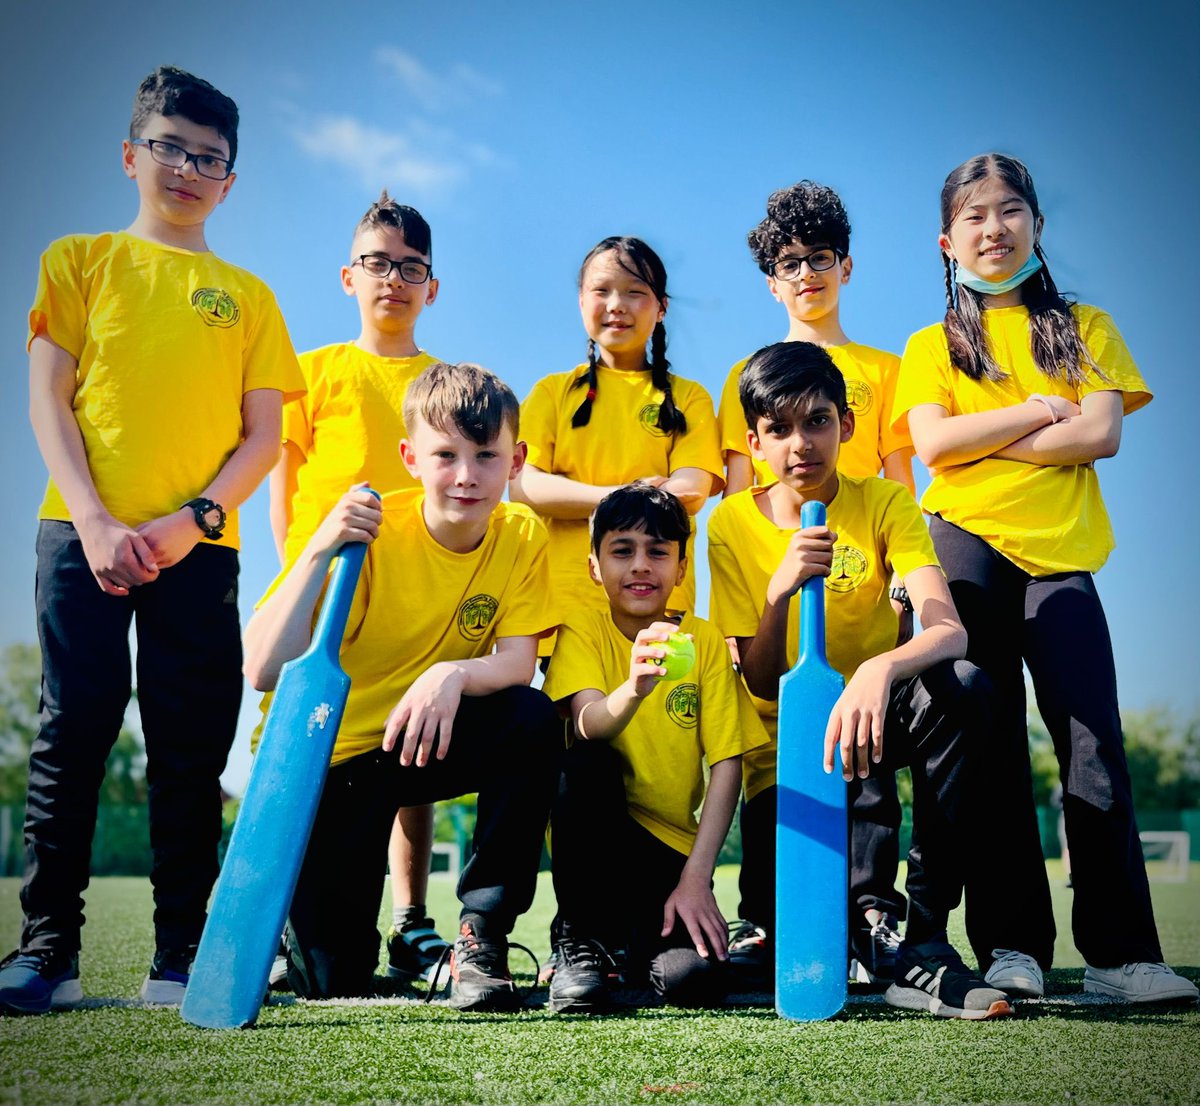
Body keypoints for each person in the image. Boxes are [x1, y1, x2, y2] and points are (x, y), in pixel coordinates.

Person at [0, 66, 303, 1016]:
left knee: (188, 751)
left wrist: (191, 523)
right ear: (132, 155)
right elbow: (50, 398)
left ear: (229, 182)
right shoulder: (78, 260)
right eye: (170, 147)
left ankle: (182, 958)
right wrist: (95, 521)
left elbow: (263, 438)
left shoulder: (246, 295)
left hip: (199, 553)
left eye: (208, 158)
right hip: (77, 535)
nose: (187, 168)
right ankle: (47, 951)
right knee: (71, 738)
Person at [893, 152, 1197, 1004]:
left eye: (1010, 211)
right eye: (974, 217)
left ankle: (1120, 955)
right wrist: (1035, 412)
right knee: (987, 741)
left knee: (1094, 745)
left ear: (1035, 222)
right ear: (947, 241)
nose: (994, 229)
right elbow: (934, 449)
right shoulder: (932, 344)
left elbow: (1101, 433)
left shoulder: (1086, 326)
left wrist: (987, 433)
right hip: (965, 543)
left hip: (1060, 557)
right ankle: (1011, 948)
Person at [708, 341, 1012, 1019]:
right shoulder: (729, 524)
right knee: (771, 939)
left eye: (817, 421)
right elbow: (758, 682)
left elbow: (949, 630)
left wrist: (879, 667)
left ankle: (924, 941)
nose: (800, 444)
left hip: (876, 720)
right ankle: (841, 924)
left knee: (964, 684)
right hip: (788, 749)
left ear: (846, 426)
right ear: (754, 441)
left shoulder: (884, 502)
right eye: (779, 429)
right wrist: (779, 594)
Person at [244, 362, 561, 1011]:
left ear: (515, 459)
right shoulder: (373, 536)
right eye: (446, 455)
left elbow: (518, 664)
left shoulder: (521, 533)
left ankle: (481, 934)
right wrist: (320, 547)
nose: (467, 475)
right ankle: (290, 930)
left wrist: (450, 673)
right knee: (337, 980)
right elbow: (261, 670)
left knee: (531, 720)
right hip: (339, 765)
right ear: (410, 457)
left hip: (420, 739)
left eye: (486, 455)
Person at [714, 181, 915, 983]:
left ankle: (882, 920)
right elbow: (740, 499)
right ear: (772, 279)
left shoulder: (884, 369)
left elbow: (900, 484)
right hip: (786, 592)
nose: (806, 274)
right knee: (785, 750)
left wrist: (903, 588)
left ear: (846, 266)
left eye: (820, 258)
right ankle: (768, 919)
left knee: (867, 751)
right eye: (789, 263)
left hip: (866, 578)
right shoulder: (749, 375)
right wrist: (770, 583)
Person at [268, 192, 450, 986]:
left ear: (431, 287)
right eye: (379, 264)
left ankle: (412, 922)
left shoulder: (446, 382)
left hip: (417, 605)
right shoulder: (309, 376)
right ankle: (277, 921)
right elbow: (286, 503)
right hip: (328, 611)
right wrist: (301, 597)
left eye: (412, 268)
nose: (394, 280)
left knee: (415, 759)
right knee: (299, 751)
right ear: (349, 276)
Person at [541, 484, 768, 1012]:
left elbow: (728, 763)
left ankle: (628, 948)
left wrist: (695, 879)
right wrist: (634, 690)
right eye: (622, 551)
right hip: (602, 837)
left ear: (682, 569)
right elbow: (589, 725)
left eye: (658, 552)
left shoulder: (705, 641)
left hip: (672, 852)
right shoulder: (585, 630)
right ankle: (580, 939)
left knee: (692, 981)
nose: (641, 566)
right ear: (595, 566)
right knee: (583, 764)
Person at [509, 236, 723, 658]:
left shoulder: (688, 397)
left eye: (635, 292)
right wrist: (624, 495)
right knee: (575, 721)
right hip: (566, 605)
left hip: (661, 602)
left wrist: (592, 499)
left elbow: (693, 487)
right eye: (601, 290)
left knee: (658, 719)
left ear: (661, 308)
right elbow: (523, 488)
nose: (616, 304)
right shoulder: (553, 392)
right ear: (580, 301)